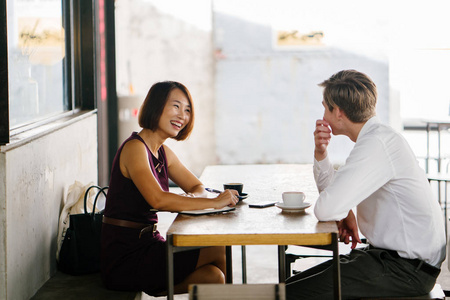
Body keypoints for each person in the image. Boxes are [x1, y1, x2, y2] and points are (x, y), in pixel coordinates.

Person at [286, 70, 446, 299]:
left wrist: (342, 210)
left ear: (338, 112)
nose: (323, 114)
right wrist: (321, 153)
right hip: (390, 260)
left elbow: (326, 209)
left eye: (325, 107)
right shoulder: (376, 139)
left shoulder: (377, 144)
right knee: (289, 286)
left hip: (406, 271)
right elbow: (335, 198)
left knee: (291, 293)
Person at [100, 81, 239, 296]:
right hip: (126, 255)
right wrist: (213, 202)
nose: (182, 116)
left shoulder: (163, 152)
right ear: (156, 106)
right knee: (217, 246)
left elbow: (196, 185)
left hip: (150, 245)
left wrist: (193, 196)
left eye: (187, 110)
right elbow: (159, 200)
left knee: (213, 277)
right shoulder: (135, 148)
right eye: (176, 106)